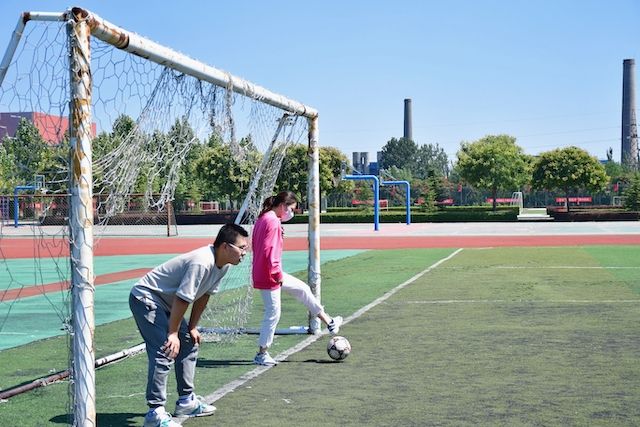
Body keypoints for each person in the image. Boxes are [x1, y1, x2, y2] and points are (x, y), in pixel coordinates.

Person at [129, 223, 249, 427]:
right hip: (146, 298)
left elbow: (203, 297)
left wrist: (192, 327)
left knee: (190, 342)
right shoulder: (201, 262)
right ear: (225, 247)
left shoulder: (224, 265)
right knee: (165, 349)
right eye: (242, 248)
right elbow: (183, 299)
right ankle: (155, 413)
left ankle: (186, 401)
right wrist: (173, 333)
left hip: (168, 303)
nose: (245, 253)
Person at [252, 190, 343, 366]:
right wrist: (277, 274)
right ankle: (262, 353)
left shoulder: (266, 219)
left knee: (302, 289)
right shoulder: (272, 222)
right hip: (269, 274)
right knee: (273, 312)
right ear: (282, 206)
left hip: (267, 271)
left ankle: (329, 322)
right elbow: (268, 251)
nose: (291, 213)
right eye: (291, 209)